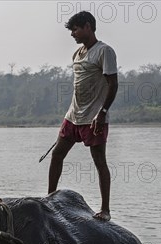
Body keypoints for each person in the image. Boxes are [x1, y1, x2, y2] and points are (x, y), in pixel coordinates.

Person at [48, 11, 118, 221]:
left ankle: (105, 209)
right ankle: (49, 199)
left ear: (88, 26)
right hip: (73, 116)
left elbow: (113, 84)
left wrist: (102, 112)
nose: (73, 34)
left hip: (94, 117)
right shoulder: (77, 53)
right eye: (71, 30)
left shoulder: (104, 51)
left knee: (99, 162)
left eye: (75, 29)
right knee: (57, 155)